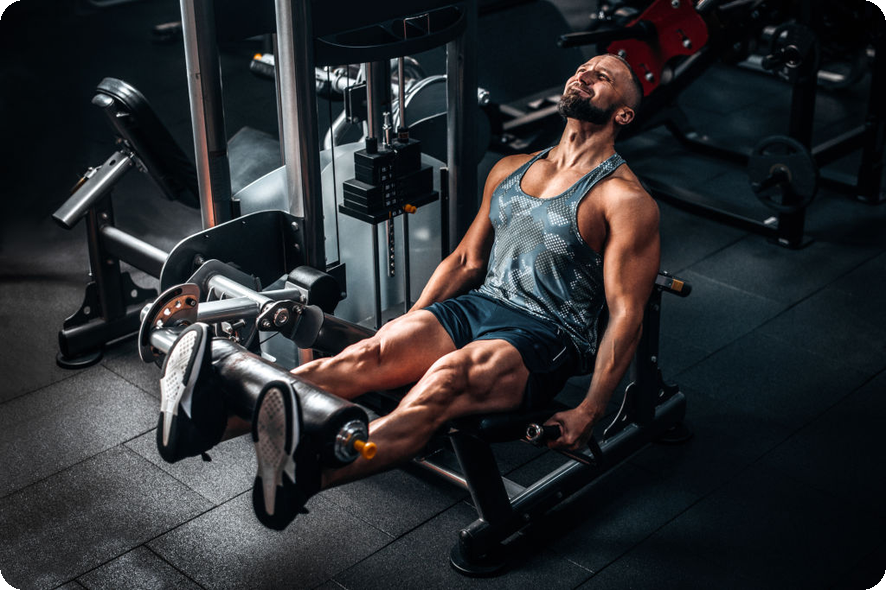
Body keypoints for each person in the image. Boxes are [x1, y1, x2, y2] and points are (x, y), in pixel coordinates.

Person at [155, 53, 660, 530]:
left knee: (446, 380)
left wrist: (590, 409)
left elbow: (626, 314)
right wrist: (413, 318)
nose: (584, 75)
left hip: (545, 335)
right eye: (583, 69)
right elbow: (466, 261)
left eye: (602, 77)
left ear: (623, 113)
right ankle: (205, 425)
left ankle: (307, 476)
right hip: (479, 306)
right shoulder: (513, 168)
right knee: (365, 355)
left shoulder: (624, 200)